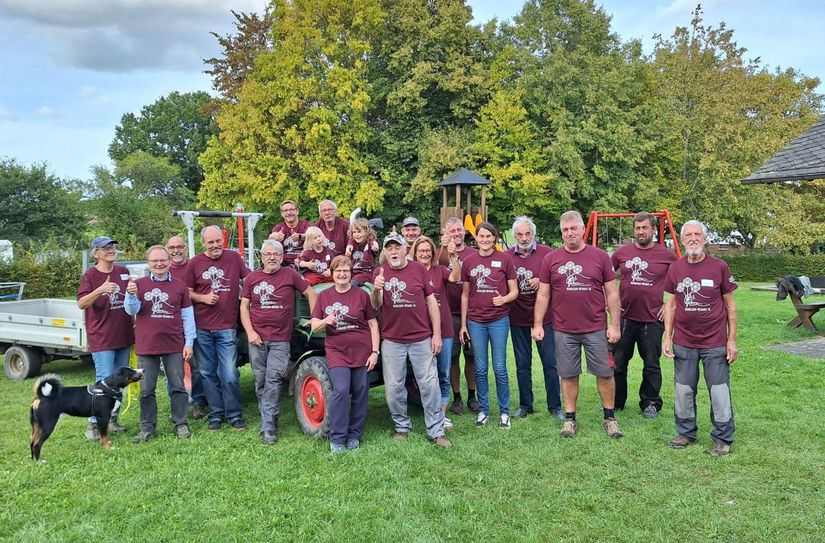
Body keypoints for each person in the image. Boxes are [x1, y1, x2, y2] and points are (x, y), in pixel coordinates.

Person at [532, 211, 623, 439]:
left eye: (574, 228)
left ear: (583, 229)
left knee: (604, 373)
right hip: (564, 329)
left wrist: (614, 325)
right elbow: (543, 294)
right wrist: (538, 324)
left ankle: (610, 418)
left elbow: (612, 293)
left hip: (595, 327)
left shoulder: (600, 257)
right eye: (565, 229)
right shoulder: (551, 259)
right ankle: (570, 419)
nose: (569, 233)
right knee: (568, 374)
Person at [662, 220, 738, 456]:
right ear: (682, 240)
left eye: (697, 234)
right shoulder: (675, 268)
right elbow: (670, 306)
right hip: (684, 342)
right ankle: (686, 433)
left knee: (719, 391)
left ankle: (722, 438)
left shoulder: (719, 267)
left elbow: (731, 306)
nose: (693, 238)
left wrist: (731, 340)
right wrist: (667, 337)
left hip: (715, 342)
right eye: (688, 235)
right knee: (683, 390)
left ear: (705, 239)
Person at [370, 232, 451, 448]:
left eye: (397, 247)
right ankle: (401, 427)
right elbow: (376, 304)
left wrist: (436, 334)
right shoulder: (380, 272)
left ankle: (436, 431)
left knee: (429, 384)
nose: (394, 251)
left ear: (405, 249)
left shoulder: (418, 269)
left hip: (421, 338)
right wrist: (376, 289)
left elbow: (431, 302)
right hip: (392, 340)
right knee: (394, 387)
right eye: (389, 248)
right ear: (385, 252)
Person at [240, 240, 317, 445]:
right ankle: (269, 417)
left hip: (281, 339)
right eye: (268, 254)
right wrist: (250, 332)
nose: (272, 257)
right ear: (262, 257)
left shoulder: (290, 274)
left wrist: (315, 318)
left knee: (273, 379)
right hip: (257, 339)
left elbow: (310, 293)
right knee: (260, 380)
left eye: (276, 254)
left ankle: (267, 428)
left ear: (282, 257)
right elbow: (244, 307)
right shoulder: (252, 278)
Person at [125, 245, 196, 442]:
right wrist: (130, 294)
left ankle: (181, 423)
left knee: (178, 386)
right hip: (147, 346)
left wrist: (189, 342)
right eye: (154, 261)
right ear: (148, 263)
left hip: (174, 344)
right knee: (146, 389)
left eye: (163, 260)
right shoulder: (138, 285)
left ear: (169, 262)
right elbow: (131, 310)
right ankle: (147, 427)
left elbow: (188, 317)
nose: (159, 264)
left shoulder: (180, 286)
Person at [611, 212, 677, 418]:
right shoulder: (622, 253)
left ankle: (650, 403)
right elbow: (604, 277)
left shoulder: (666, 255)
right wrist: (608, 301)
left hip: (652, 319)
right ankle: (616, 402)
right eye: (638, 228)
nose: (641, 232)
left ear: (653, 230)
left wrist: (669, 304)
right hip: (624, 318)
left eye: (645, 228)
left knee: (651, 365)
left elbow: (682, 280)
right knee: (618, 363)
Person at [310, 256, 379, 453]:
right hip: (337, 350)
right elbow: (314, 326)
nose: (342, 274)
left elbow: (373, 324)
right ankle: (337, 438)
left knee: (360, 391)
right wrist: (325, 321)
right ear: (332, 274)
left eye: (346, 271)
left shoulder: (361, 295)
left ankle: (354, 435)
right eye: (338, 271)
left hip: (362, 350)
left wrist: (375, 352)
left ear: (351, 274)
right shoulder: (324, 296)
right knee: (340, 390)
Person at [185, 225, 249, 432]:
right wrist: (203, 298)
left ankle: (235, 415)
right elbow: (186, 292)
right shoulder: (194, 263)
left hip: (227, 326)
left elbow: (249, 279)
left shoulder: (233, 258)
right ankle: (216, 414)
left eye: (218, 241)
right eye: (210, 242)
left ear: (223, 240)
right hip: (202, 327)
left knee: (229, 374)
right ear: (203, 243)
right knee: (207, 373)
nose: (215, 245)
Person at [459, 222, 518, 429]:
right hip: (476, 322)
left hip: (499, 320)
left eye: (488, 236)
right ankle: (483, 410)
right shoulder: (469, 261)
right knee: (481, 368)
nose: (484, 240)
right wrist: (463, 324)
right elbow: (465, 294)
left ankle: (504, 412)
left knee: (500, 367)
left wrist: (504, 299)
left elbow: (514, 291)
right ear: (476, 238)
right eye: (481, 236)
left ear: (494, 238)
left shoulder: (505, 259)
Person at [76, 236, 135, 441]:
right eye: (105, 248)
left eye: (112, 247)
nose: (111, 250)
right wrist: (100, 290)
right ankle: (93, 424)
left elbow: (130, 300)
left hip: (124, 335)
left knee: (120, 380)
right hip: (102, 337)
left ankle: (112, 419)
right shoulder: (90, 275)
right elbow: (82, 303)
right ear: (96, 253)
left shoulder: (123, 271)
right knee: (104, 380)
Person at [507, 216, 563, 420]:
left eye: (527, 233)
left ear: (533, 234)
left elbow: (559, 280)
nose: (524, 238)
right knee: (522, 363)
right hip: (518, 317)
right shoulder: (507, 256)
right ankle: (525, 405)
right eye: (520, 234)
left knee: (550, 362)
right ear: (514, 236)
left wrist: (542, 281)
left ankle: (555, 406)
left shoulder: (547, 253)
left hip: (545, 318)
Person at [411, 236, 461, 428]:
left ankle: (441, 415)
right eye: (421, 251)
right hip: (420, 330)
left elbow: (455, 277)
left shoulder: (439, 270)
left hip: (444, 329)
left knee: (443, 373)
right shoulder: (410, 272)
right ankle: (429, 411)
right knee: (425, 375)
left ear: (433, 253)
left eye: (427, 250)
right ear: (415, 253)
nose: (424, 254)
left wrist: (454, 257)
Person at [438, 216, 479, 414]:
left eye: (459, 229)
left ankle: (472, 395)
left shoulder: (474, 254)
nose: (456, 233)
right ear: (446, 233)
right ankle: (456, 398)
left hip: (471, 313)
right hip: (449, 313)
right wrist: (444, 249)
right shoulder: (441, 254)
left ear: (464, 230)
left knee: (471, 356)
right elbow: (437, 268)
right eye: (452, 230)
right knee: (452, 358)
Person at [166, 235, 208, 419]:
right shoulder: (163, 270)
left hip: (194, 325)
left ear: (186, 248)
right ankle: (176, 405)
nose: (176, 250)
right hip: (171, 328)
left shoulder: (195, 266)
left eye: (180, 247)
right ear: (167, 250)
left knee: (197, 367)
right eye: (172, 247)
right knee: (173, 369)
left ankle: (198, 402)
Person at [269, 199, 311, 266]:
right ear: (282, 214)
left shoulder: (306, 224)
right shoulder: (279, 227)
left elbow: (314, 234)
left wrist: (300, 236)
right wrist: (276, 236)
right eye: (285, 210)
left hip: (303, 261)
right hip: (284, 263)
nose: (289, 213)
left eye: (291, 209)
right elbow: (271, 236)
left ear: (297, 211)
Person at [345, 217, 379, 286]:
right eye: (354, 232)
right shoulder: (352, 242)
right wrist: (348, 250)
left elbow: (374, 244)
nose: (356, 234)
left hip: (366, 272)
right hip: (353, 272)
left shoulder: (370, 242)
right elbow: (350, 243)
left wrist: (375, 248)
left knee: (354, 282)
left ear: (367, 232)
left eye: (359, 232)